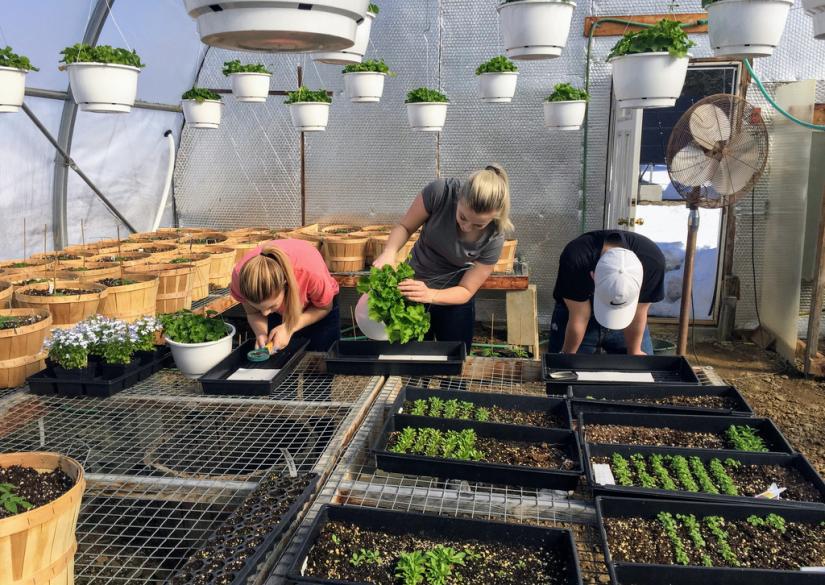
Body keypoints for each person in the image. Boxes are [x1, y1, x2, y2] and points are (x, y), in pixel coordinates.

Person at [372, 164, 513, 352]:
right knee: (410, 358)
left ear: (494, 217)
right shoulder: (440, 193)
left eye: (478, 225)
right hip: (411, 287)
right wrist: (389, 253)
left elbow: (466, 289)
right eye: (462, 217)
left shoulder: (495, 237)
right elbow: (405, 227)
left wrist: (431, 295)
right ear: (459, 198)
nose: (466, 227)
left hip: (453, 299)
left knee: (453, 358)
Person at [549, 230, 665, 355]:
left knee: (641, 365)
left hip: (630, 318)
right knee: (561, 363)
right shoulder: (576, 259)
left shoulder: (652, 262)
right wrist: (567, 357)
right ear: (593, 276)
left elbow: (638, 313)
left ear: (641, 281)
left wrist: (635, 351)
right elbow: (579, 316)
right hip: (576, 314)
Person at [230, 239, 340, 353]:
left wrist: (289, 328)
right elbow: (253, 313)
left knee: (322, 356)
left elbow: (324, 308)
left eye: (271, 306)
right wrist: (261, 334)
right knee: (283, 353)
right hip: (280, 313)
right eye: (258, 307)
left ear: (285, 286)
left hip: (317, 310)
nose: (265, 314)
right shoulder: (240, 278)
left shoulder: (311, 274)